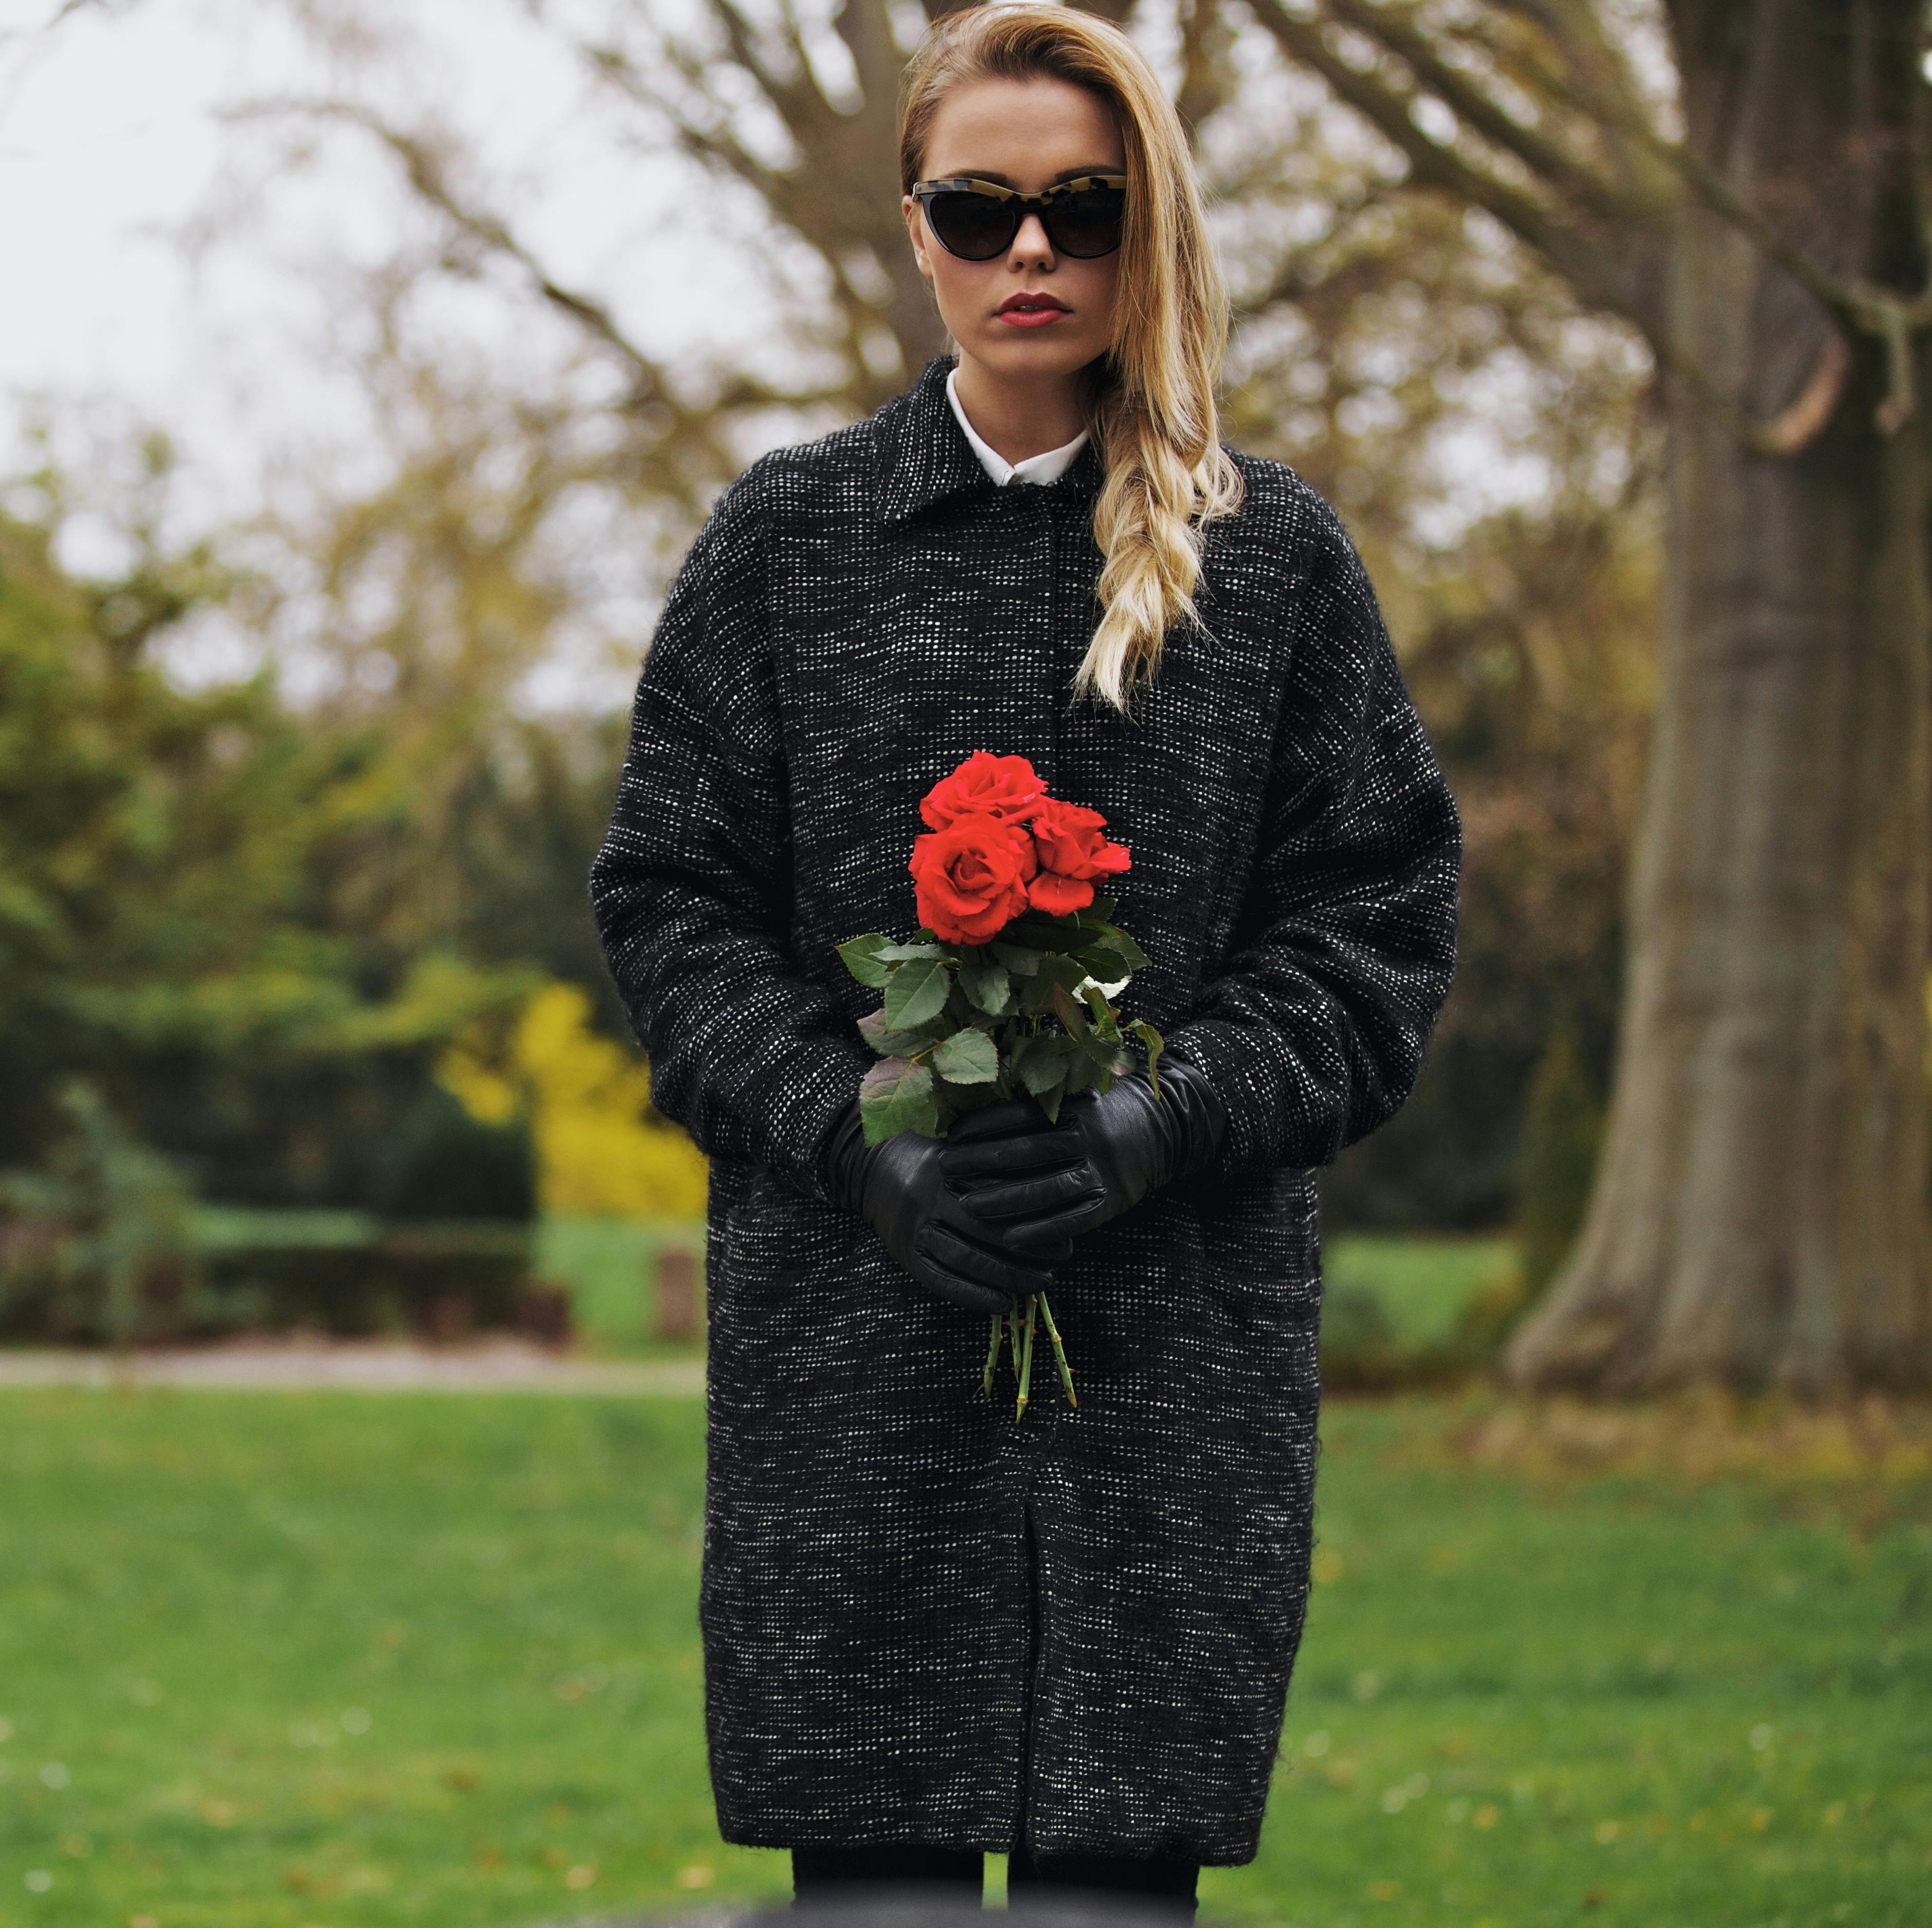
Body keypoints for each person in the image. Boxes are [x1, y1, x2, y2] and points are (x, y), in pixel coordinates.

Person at [588, 4, 1462, 1918]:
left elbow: (1380, 920)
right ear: (919, 233)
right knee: (878, 1897)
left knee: (1103, 1901)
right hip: (855, 1363)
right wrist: (856, 1137)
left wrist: (1164, 1120)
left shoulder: (1274, 563)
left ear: (1146, 225)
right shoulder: (785, 545)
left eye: (1081, 207)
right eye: (982, 213)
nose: (1033, 255)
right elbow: (670, 903)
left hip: (1169, 1373)